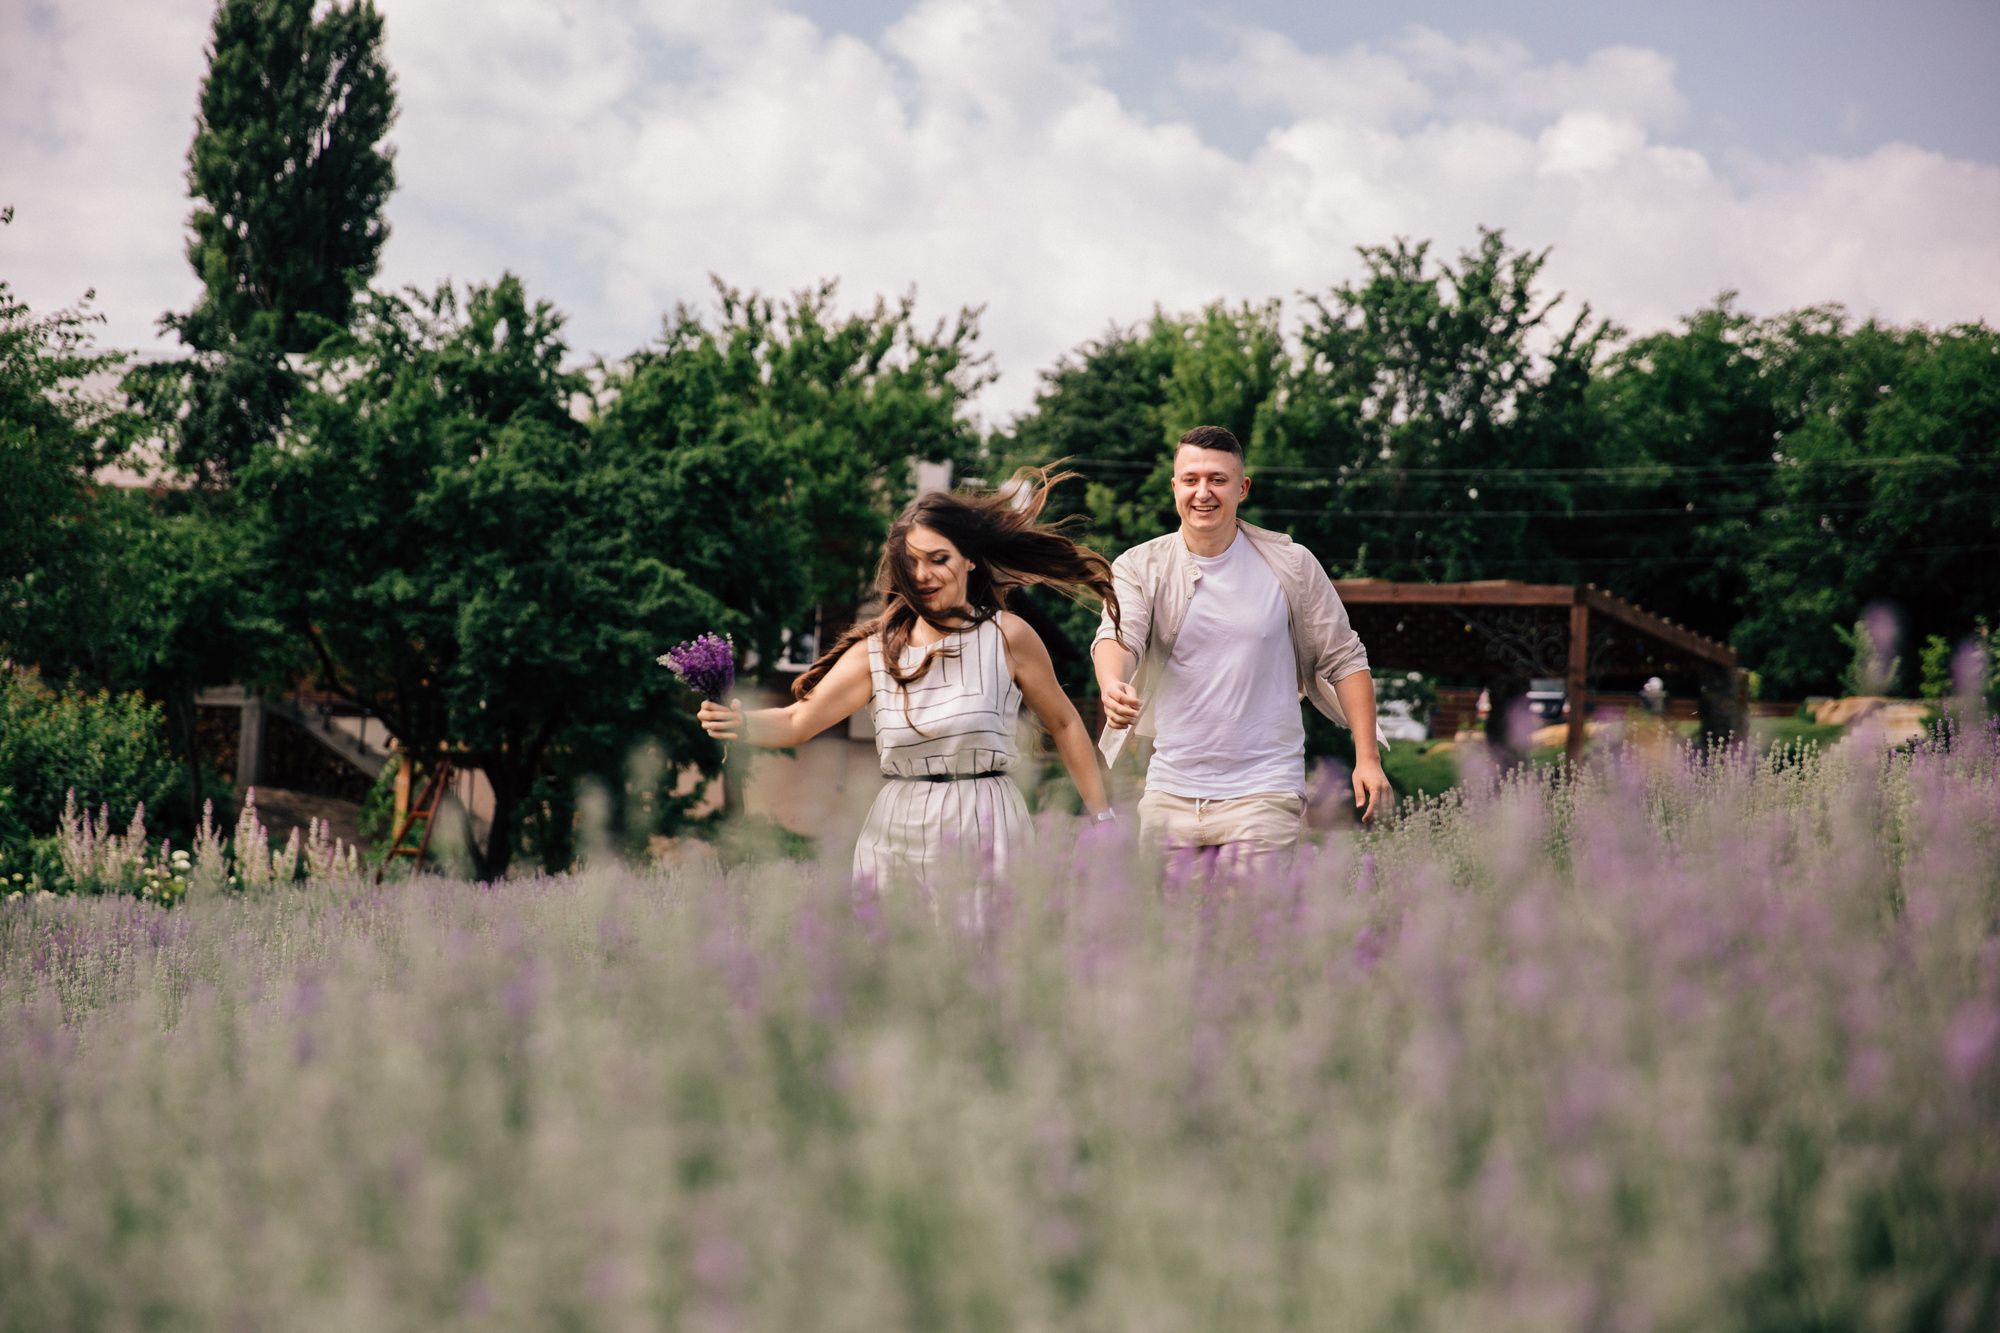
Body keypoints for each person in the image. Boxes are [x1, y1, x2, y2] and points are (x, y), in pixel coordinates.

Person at [698, 468, 1120, 889]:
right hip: (895, 834)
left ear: (970, 559)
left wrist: (1102, 817)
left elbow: (1065, 723)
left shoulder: (1008, 637)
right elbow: (797, 721)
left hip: (987, 826)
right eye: (911, 562)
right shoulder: (876, 653)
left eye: (939, 559)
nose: (922, 574)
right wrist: (741, 722)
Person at [1091, 425, 1390, 867]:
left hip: (1265, 790)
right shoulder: (1139, 566)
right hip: (1170, 792)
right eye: (1191, 480)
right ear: (1174, 487)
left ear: (1242, 488)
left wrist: (1367, 758)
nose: (1203, 492)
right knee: (1168, 916)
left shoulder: (1292, 565)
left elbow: (1345, 659)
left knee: (1251, 913)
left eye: (1218, 479)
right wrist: (1111, 683)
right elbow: (1119, 634)